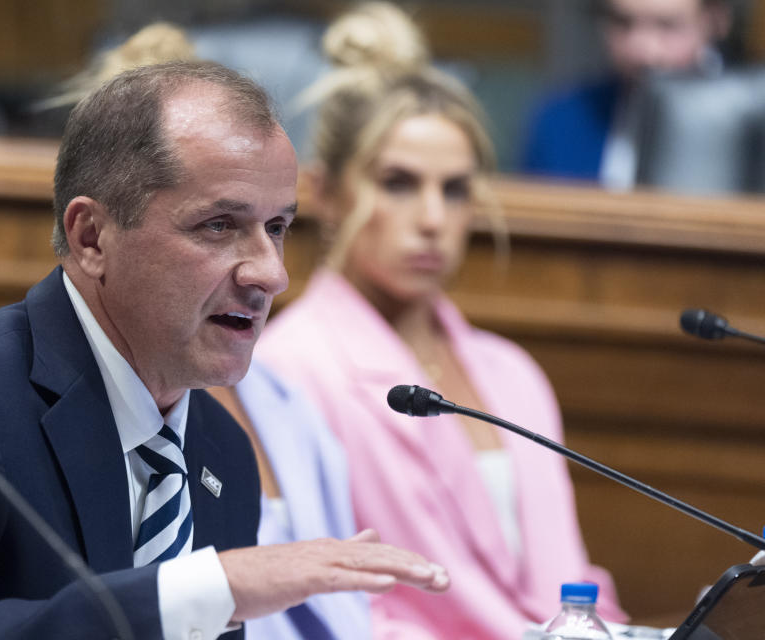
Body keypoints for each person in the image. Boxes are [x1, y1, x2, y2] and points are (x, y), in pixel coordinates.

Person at [0, 61, 450, 640]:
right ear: (91, 237)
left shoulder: (223, 453)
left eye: (277, 227)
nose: (269, 273)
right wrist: (203, 592)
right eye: (219, 225)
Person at [257, 3, 627, 639]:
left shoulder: (511, 371)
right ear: (325, 193)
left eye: (454, 189)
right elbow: (316, 605)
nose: (432, 218)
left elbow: (570, 581)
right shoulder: (285, 368)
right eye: (398, 183)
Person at [520, 0, 733, 188]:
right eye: (623, 23)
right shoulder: (562, 119)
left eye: (667, 25)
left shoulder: (750, 124)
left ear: (716, 21)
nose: (642, 51)